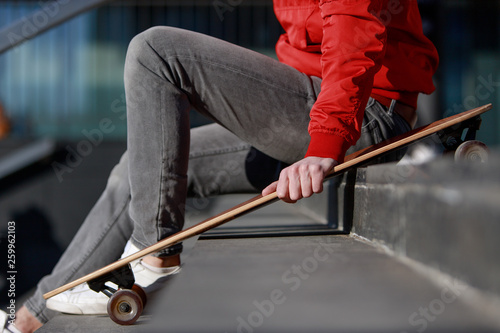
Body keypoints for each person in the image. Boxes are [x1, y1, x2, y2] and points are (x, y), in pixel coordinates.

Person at [2, 0, 438, 332]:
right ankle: (31, 316)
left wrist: (326, 141)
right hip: (311, 113)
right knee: (133, 168)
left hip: (363, 115)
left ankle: (155, 254)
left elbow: (352, 33)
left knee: (155, 51)